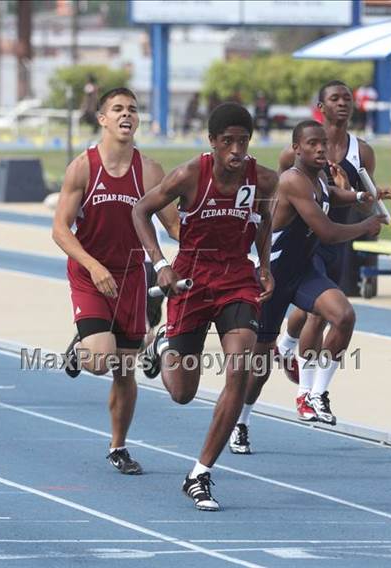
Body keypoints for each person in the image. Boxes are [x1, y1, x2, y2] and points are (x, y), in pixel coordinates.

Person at [132, 103, 278, 510]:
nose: (236, 149)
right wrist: (160, 263)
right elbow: (140, 210)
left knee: (241, 369)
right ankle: (162, 343)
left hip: (236, 279)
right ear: (213, 142)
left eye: (243, 141)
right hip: (192, 280)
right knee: (182, 392)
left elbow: (263, 220)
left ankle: (200, 473)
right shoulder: (190, 175)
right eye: (227, 141)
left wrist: (265, 266)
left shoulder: (264, 178)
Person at [229, 120, 384, 454]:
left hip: (305, 272)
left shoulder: (319, 180)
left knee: (343, 316)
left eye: (323, 145)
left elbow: (334, 196)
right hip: (273, 276)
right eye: (312, 144)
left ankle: (316, 393)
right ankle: (241, 421)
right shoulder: (293, 182)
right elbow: (327, 231)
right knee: (260, 367)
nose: (320, 149)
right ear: (296, 148)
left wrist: (360, 194)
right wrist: (366, 224)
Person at [52, 87, 179, 476]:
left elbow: (174, 225)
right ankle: (82, 346)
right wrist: (92, 266)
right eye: (118, 109)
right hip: (92, 275)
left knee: (126, 371)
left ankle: (118, 446)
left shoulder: (151, 171)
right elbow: (60, 229)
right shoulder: (83, 167)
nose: (127, 115)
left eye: (133, 110)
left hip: (131, 277)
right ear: (103, 119)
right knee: (98, 360)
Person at [274, 80, 391, 387]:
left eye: (347, 99)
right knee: (318, 312)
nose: (343, 103)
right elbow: (279, 198)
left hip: (339, 237)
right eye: (335, 98)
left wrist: (363, 200)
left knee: (312, 309)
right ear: (321, 107)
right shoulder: (293, 153)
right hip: (305, 240)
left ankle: (286, 348)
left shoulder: (361, 152)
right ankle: (308, 388)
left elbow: (367, 206)